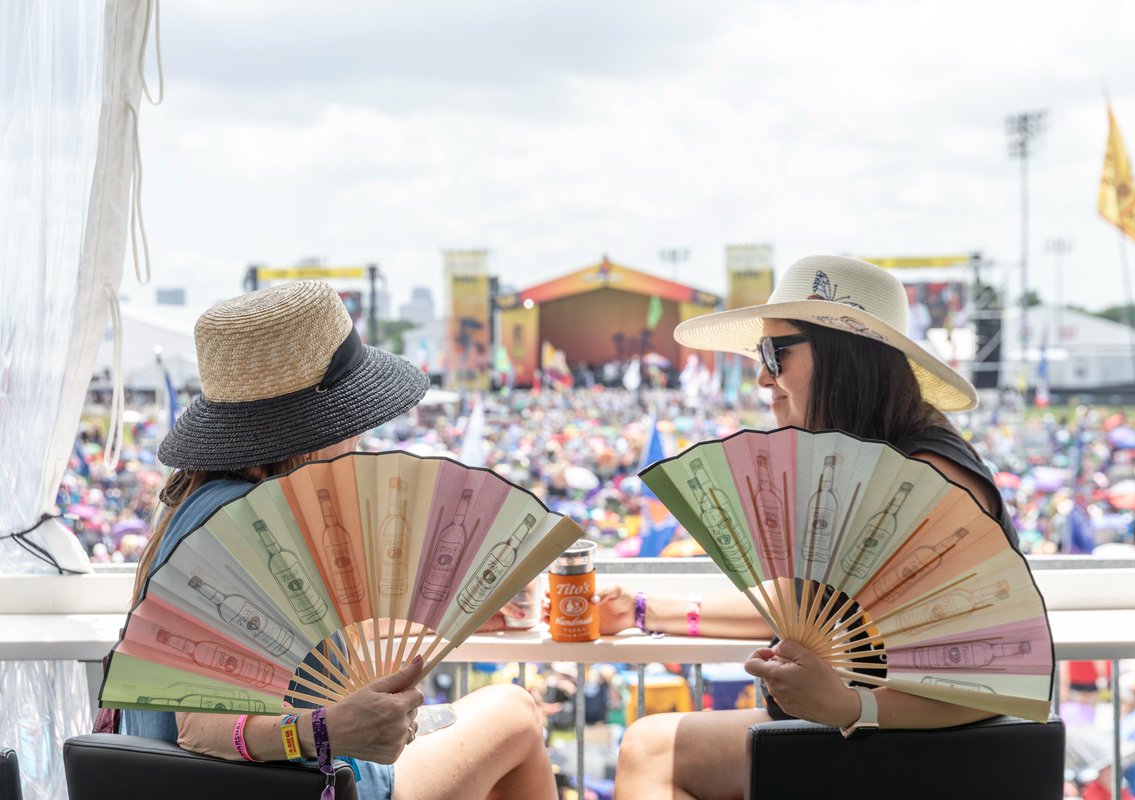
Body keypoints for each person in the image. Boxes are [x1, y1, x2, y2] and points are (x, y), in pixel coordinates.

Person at [603, 255, 1025, 800]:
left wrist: (850, 705)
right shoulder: (873, 465)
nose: (761, 377)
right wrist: (638, 609)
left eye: (774, 354)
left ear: (841, 356)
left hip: (916, 753)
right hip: (871, 740)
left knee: (653, 750)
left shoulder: (929, 478)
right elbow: (805, 603)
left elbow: (991, 677)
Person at [121, 281, 555, 800]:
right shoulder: (246, 523)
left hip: (252, 782)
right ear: (307, 430)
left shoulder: (200, 507)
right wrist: (326, 730)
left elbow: (282, 647)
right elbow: (198, 725)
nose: (358, 438)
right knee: (517, 713)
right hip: (318, 780)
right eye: (350, 421)